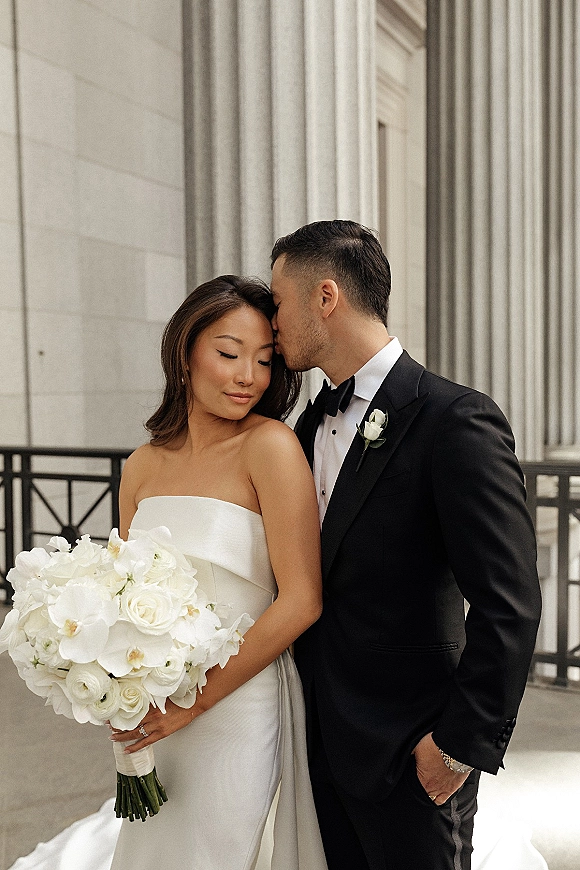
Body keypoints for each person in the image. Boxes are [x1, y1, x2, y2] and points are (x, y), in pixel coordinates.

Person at [8, 275, 329, 870]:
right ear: (185, 353)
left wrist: (197, 701)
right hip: (154, 702)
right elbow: (123, 587)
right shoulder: (142, 465)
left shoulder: (271, 446)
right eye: (229, 354)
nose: (247, 377)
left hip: (237, 700)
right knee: (155, 848)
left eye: (264, 361)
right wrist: (108, 675)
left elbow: (302, 601)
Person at [269, 220, 543, 870]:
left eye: (279, 302)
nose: (271, 322)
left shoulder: (455, 421)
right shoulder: (309, 423)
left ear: (325, 297)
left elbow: (510, 601)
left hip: (411, 752)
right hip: (323, 746)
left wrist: (457, 745)